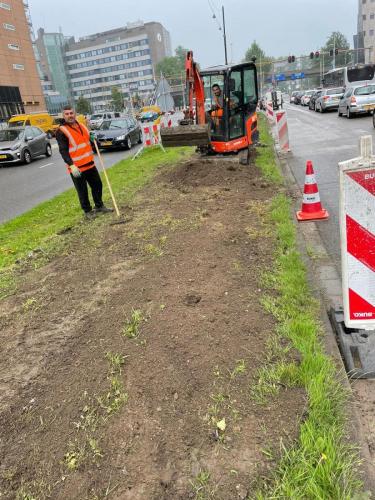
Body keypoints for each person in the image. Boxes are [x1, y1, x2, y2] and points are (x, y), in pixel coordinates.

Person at [56, 105, 113, 220]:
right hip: (77, 168)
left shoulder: (82, 126)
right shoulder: (61, 131)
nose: (70, 115)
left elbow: (89, 143)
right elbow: (63, 151)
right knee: (82, 191)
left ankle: (99, 206)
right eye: (67, 114)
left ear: (75, 114)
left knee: (97, 185)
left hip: (90, 164)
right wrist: (71, 165)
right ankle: (87, 211)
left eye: (71, 113)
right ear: (63, 115)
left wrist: (93, 140)